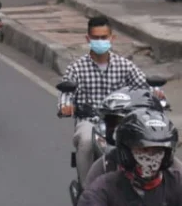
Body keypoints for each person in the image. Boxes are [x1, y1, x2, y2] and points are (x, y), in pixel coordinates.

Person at [60, 15, 160, 188]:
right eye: (96, 38)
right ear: (88, 39)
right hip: (90, 122)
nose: (100, 41)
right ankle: (87, 190)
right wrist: (66, 107)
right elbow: (66, 94)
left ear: (112, 38)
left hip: (122, 122)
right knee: (85, 141)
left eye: (104, 37)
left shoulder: (125, 65)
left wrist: (157, 95)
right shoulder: (76, 68)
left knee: (156, 143)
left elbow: (144, 86)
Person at [79, 108, 182, 205]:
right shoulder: (102, 189)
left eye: (157, 150)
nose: (150, 157)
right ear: (127, 152)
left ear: (166, 155)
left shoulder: (177, 183)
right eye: (143, 150)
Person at [84, 88, 178, 186]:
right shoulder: (104, 165)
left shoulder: (171, 166)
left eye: (120, 123)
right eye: (112, 123)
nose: (114, 130)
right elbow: (89, 198)